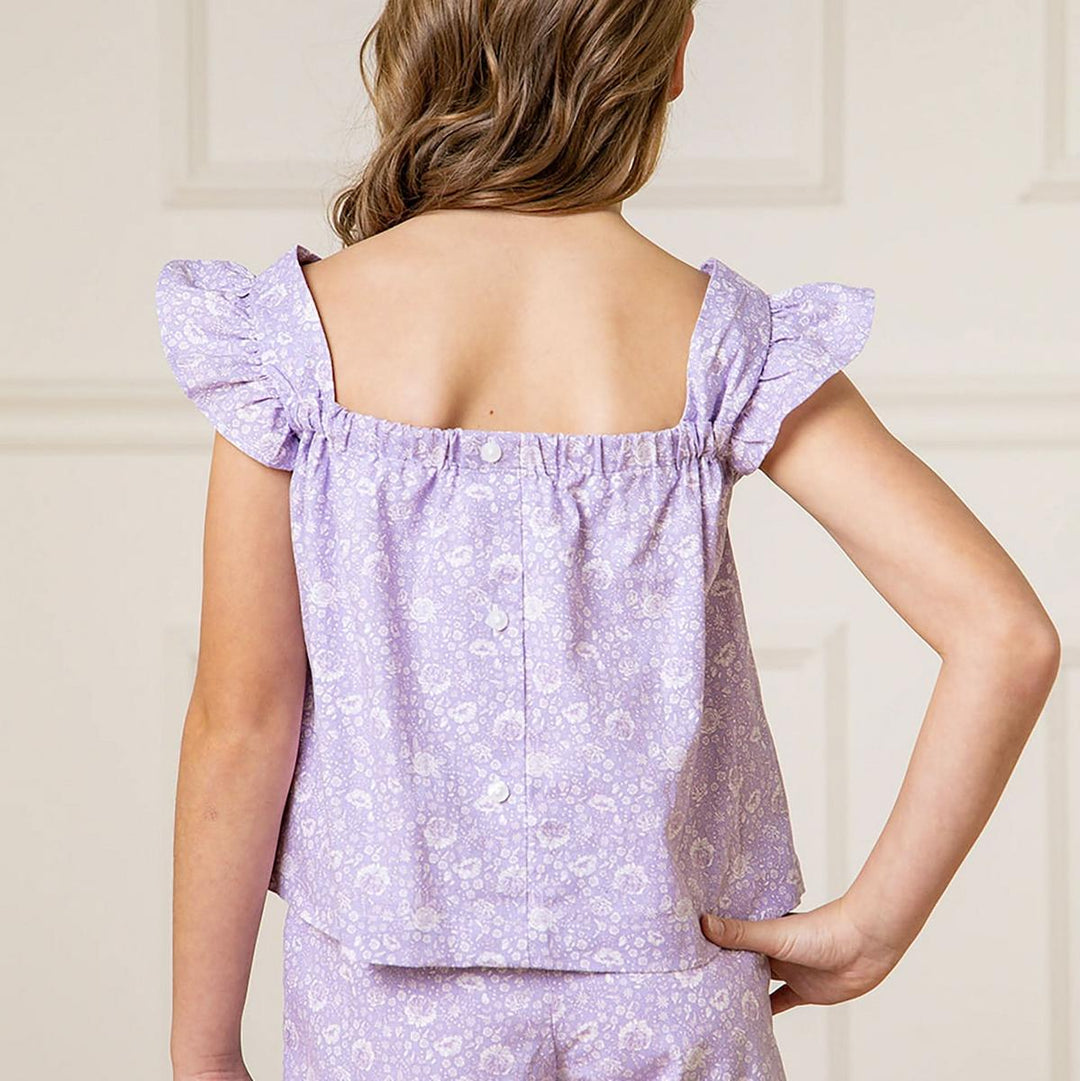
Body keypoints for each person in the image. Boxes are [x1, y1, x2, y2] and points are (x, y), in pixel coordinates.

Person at [156, 2, 1060, 1079]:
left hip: (386, 1016)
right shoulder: (719, 340)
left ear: (411, 47)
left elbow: (241, 721)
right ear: (671, 62)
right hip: (672, 992)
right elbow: (1007, 637)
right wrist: (877, 923)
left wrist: (203, 1051)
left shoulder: (289, 342)